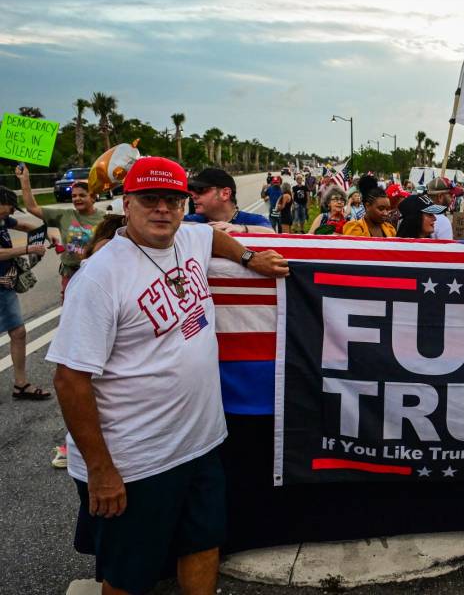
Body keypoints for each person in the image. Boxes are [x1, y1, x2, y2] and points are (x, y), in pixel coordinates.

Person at [46, 156, 289, 595]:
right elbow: (70, 380)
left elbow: (214, 239)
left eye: (173, 200)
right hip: (135, 461)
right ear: (126, 203)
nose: (162, 209)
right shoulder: (101, 278)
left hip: (201, 444)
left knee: (203, 543)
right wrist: (101, 470)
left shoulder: (189, 237)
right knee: (128, 573)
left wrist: (250, 256)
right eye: (150, 199)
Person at [17, 164, 105, 298]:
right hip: (70, 275)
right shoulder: (65, 215)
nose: (77, 199)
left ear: (93, 197)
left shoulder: (105, 218)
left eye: (82, 195)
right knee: (70, 314)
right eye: (74, 196)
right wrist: (25, 180)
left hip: (96, 276)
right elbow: (31, 208)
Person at [0, 186, 49, 400]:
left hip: (5, 286)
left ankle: (21, 385)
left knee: (18, 332)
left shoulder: (3, 220)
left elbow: (25, 225)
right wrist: (28, 249)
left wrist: (43, 236)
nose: (11, 213)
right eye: (10, 208)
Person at [186, 168, 273, 233]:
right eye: (191, 191)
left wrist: (242, 229)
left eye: (200, 190)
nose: (193, 196)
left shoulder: (254, 221)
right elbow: (176, 225)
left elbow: (271, 233)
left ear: (225, 194)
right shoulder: (192, 220)